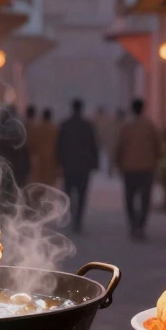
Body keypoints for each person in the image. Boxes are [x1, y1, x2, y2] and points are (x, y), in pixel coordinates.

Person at [114, 98, 163, 239]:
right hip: (146, 167)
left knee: (129, 198)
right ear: (143, 109)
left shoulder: (126, 126)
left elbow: (119, 146)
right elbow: (158, 145)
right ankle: (141, 225)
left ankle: (133, 224)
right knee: (145, 199)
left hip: (129, 168)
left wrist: (118, 162)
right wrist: (155, 159)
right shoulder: (150, 125)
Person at [57, 99, 100, 231]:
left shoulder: (65, 125)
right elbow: (93, 145)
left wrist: (59, 162)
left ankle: (72, 215)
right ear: (81, 109)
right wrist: (95, 163)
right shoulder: (88, 126)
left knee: (68, 193)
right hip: (83, 166)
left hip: (69, 165)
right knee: (82, 194)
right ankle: (78, 220)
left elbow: (59, 146)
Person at [27, 107, 59, 186]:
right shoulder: (55, 129)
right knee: (50, 184)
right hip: (52, 160)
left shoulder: (37, 129)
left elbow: (31, 145)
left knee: (39, 183)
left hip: (39, 160)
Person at [92, 106, 118, 176]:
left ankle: (98, 167)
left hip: (100, 138)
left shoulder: (96, 118)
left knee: (100, 154)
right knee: (109, 155)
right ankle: (109, 169)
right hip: (105, 138)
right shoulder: (107, 119)